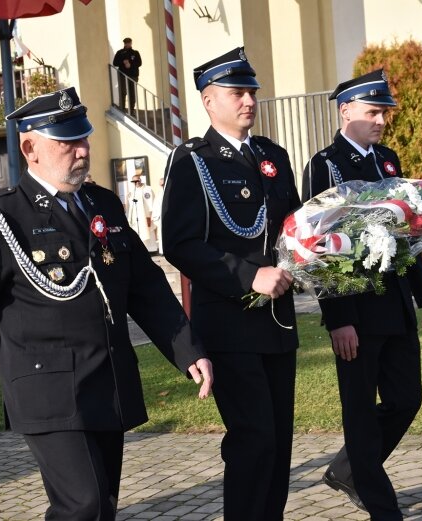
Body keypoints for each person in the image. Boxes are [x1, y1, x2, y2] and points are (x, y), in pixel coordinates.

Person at [0, 87, 213, 520]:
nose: (83, 149)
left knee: (102, 504)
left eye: (84, 138)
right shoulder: (0, 216)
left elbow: (145, 288)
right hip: (48, 389)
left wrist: (188, 350)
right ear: (30, 147)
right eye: (68, 141)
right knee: (83, 503)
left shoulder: (103, 204)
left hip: (105, 379)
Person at [162, 47, 300, 520]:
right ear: (208, 100)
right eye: (237, 92)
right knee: (253, 438)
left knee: (279, 443)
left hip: (279, 327)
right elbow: (179, 243)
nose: (249, 101)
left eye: (252, 92)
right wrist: (249, 276)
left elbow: (295, 229)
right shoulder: (192, 161)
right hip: (229, 325)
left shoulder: (274, 157)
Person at [301, 69, 422, 520]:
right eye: (373, 111)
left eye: (385, 113)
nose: (381, 120)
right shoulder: (325, 165)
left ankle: (347, 469)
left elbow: (406, 233)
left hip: (395, 301)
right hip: (356, 310)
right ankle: (383, 508)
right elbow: (317, 247)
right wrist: (338, 317)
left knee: (406, 399)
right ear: (346, 111)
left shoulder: (389, 160)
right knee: (360, 412)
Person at [127, 175, 158, 253]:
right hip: (135, 218)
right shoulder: (132, 191)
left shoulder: (147, 189)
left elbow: (150, 203)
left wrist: (149, 216)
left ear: (140, 180)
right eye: (134, 181)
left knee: (148, 233)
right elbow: (130, 206)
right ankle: (140, 250)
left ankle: (151, 249)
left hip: (145, 216)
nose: (136, 183)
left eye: (137, 181)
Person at [113, 37, 142, 114]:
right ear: (124, 43)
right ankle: (122, 108)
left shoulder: (135, 53)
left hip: (133, 75)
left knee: (132, 92)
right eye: (126, 43)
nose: (127, 44)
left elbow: (139, 63)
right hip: (123, 75)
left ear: (131, 43)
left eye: (129, 42)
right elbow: (115, 63)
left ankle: (132, 109)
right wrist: (123, 62)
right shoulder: (120, 52)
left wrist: (130, 64)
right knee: (123, 91)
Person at [151, 176, 165, 255]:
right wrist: (154, 216)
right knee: (160, 235)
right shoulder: (159, 193)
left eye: (162, 184)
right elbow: (156, 205)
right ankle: (162, 251)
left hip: (167, 217)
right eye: (161, 185)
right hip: (160, 217)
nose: (162, 186)